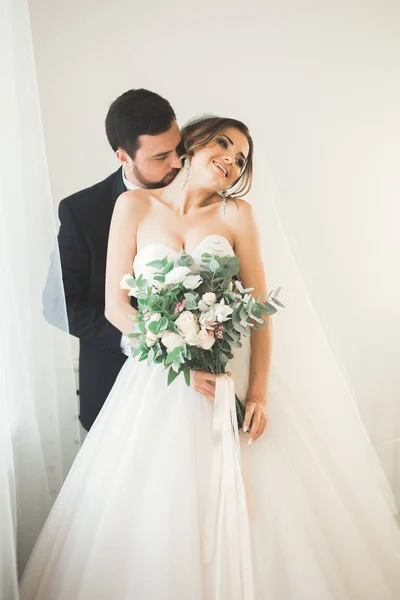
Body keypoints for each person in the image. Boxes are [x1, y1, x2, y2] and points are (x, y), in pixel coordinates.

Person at [21, 117, 400, 599]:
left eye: (240, 157)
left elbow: (260, 312)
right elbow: (117, 305)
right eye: (223, 144)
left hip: (229, 376)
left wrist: (258, 391)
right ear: (191, 145)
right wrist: (175, 356)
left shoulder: (236, 214)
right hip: (159, 376)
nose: (231, 159)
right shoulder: (132, 205)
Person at [46, 88, 182, 431]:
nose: (177, 163)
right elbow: (59, 304)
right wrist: (133, 339)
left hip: (192, 391)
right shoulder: (82, 211)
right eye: (160, 156)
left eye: (179, 148)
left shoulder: (199, 196)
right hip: (113, 383)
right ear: (123, 156)